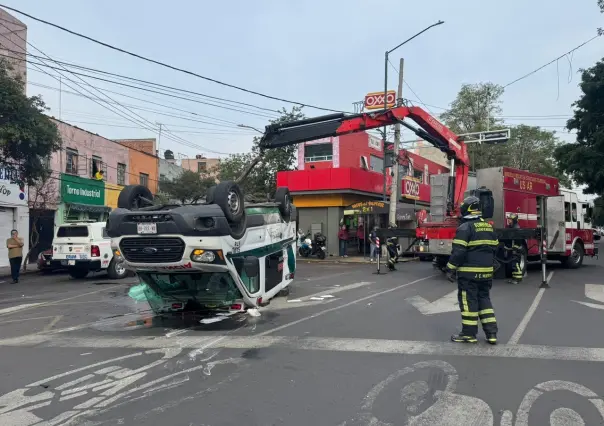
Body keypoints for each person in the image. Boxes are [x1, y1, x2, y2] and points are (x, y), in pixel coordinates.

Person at [446, 196, 499, 345]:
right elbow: (495, 247)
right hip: (487, 273)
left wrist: (450, 268)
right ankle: (491, 333)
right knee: (484, 300)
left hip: (469, 274)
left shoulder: (464, 228)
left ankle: (469, 334)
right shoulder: (489, 226)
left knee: (469, 303)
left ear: (466, 210)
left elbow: (459, 252)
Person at [505, 213, 524, 284]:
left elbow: (518, 240)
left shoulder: (516, 228)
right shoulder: (512, 227)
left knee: (515, 264)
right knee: (513, 264)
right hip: (513, 249)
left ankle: (517, 279)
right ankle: (514, 278)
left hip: (516, 250)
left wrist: (515, 248)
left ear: (514, 220)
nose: (508, 220)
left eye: (510, 219)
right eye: (508, 219)